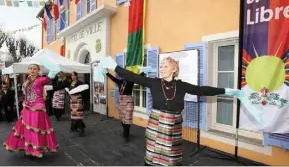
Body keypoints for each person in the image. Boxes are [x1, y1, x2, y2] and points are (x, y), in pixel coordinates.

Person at [99, 56, 243, 166]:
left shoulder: (181, 86)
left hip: (173, 128)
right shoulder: (153, 82)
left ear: (174, 70)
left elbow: (202, 90)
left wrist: (228, 91)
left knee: (171, 160)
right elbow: (132, 76)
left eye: (165, 66)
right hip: (155, 125)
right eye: (161, 66)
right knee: (151, 159)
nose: (161, 68)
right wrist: (114, 67)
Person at [3, 64, 59, 159]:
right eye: (30, 68)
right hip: (27, 107)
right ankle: (28, 149)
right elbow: (26, 94)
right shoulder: (27, 80)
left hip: (38, 108)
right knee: (26, 129)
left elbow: (49, 78)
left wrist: (54, 69)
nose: (32, 70)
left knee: (36, 129)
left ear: (38, 71)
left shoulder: (41, 79)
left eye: (34, 69)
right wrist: (24, 103)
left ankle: (36, 149)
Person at [105, 70, 145, 142]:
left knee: (128, 118)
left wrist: (143, 72)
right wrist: (107, 73)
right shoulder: (120, 82)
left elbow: (137, 77)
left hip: (128, 101)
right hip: (121, 101)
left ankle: (126, 135)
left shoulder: (130, 81)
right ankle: (125, 131)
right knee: (123, 118)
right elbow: (113, 78)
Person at [47, 71, 88, 137]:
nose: (73, 76)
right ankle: (74, 127)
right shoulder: (69, 83)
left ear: (76, 76)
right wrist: (51, 87)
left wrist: (81, 97)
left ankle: (81, 130)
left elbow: (84, 91)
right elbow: (60, 86)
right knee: (73, 115)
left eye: (74, 75)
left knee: (78, 115)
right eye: (72, 75)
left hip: (78, 101)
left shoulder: (80, 83)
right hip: (72, 101)